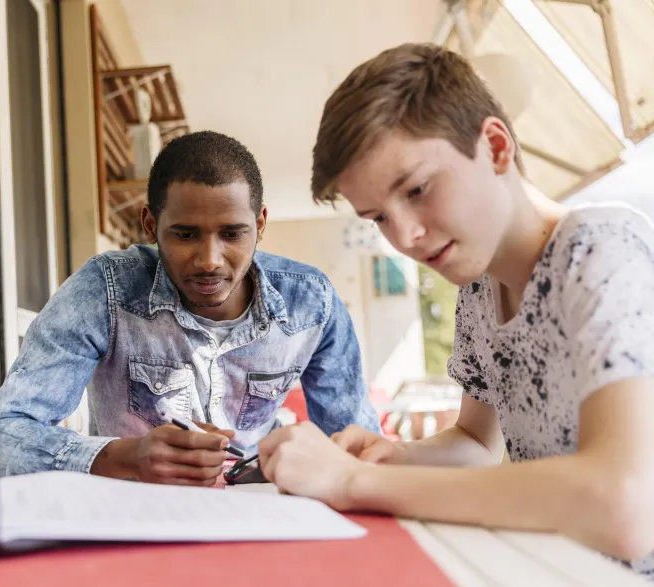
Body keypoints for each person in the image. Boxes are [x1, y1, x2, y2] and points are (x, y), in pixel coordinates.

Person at [258, 43, 654, 578]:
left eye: (417, 189)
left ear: (495, 147)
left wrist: (354, 483)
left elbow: (626, 505)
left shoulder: (601, 249)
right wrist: (394, 457)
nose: (405, 236)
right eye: (378, 218)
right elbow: (476, 443)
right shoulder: (478, 292)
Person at [0, 130, 381, 487]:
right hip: (134, 514)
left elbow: (361, 450)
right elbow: (0, 436)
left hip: (259, 510)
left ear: (260, 224)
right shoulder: (104, 291)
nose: (209, 260)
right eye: (185, 234)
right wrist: (126, 457)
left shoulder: (312, 304)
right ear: (150, 224)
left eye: (232, 233)